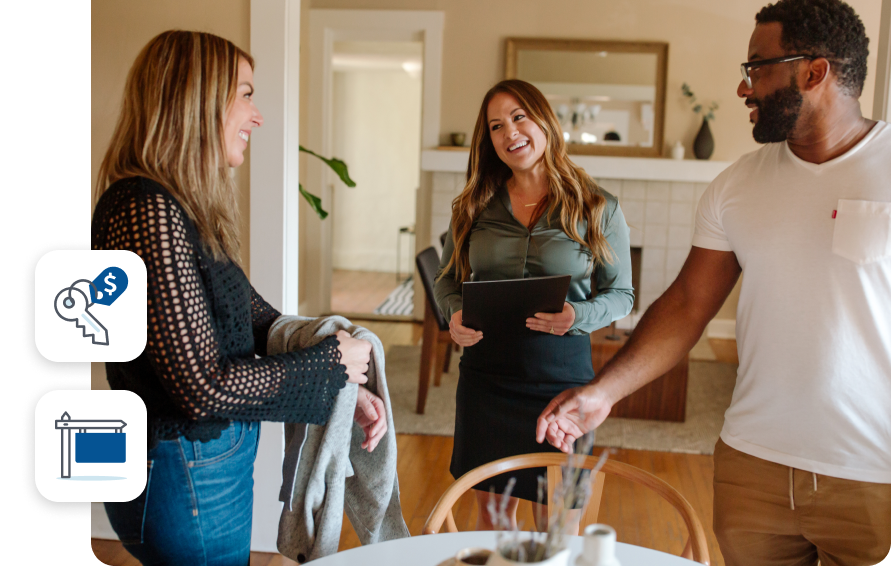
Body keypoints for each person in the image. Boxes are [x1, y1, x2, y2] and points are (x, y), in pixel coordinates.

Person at [537, 0, 891, 565]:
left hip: (874, 473)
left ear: (815, 71)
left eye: (757, 68)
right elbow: (686, 306)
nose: (743, 88)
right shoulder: (736, 186)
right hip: (753, 468)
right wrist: (604, 392)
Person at [92, 30, 386, 566]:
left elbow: (255, 319)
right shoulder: (145, 208)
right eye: (246, 94)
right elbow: (201, 389)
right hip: (183, 463)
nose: (257, 115)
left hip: (197, 462)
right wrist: (327, 363)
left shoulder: (178, 207)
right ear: (196, 99)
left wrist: (347, 383)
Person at [434, 79, 634, 529]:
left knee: (558, 526)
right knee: (494, 521)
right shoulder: (472, 206)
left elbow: (622, 295)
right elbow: (446, 281)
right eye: (496, 125)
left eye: (519, 117)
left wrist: (576, 315)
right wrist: (454, 314)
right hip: (486, 383)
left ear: (544, 120)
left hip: (561, 385)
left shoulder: (597, 206)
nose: (510, 133)